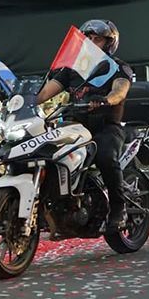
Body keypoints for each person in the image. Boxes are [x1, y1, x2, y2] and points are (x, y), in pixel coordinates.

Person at [36, 20, 133, 231]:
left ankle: (119, 207)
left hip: (106, 126)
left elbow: (120, 91)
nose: (89, 42)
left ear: (109, 43)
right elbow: (44, 93)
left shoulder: (116, 67)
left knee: (105, 156)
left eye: (96, 39)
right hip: (76, 127)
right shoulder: (72, 69)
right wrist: (22, 100)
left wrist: (107, 100)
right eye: (86, 38)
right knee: (47, 153)